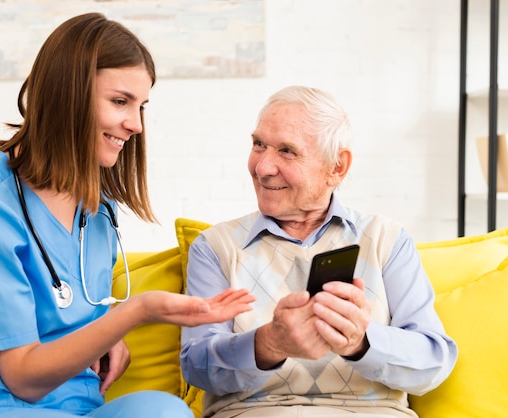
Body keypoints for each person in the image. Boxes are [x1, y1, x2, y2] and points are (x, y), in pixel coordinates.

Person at [0, 13, 255, 418]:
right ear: (68, 96)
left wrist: (102, 330)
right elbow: (22, 377)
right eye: (120, 101)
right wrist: (134, 313)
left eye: (141, 106)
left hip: (70, 405)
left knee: (165, 411)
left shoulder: (97, 209)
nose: (135, 125)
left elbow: (75, 310)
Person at [180, 85, 458, 418]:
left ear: (336, 167)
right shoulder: (215, 248)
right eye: (258, 145)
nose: (263, 167)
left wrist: (361, 342)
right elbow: (196, 365)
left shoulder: (387, 240)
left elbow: (433, 361)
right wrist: (269, 344)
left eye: (287, 151)